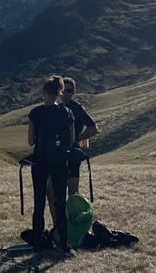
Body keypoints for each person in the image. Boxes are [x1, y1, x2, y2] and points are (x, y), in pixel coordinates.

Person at [26, 75, 76, 256]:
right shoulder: (67, 113)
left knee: (39, 203)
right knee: (60, 203)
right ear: (60, 92)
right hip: (60, 162)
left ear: (45, 92)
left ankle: (38, 242)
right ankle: (64, 244)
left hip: (40, 162)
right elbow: (71, 141)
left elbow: (31, 142)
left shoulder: (36, 113)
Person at [46, 76, 100, 223]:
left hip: (72, 156)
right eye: (64, 90)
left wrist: (78, 139)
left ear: (74, 92)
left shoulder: (77, 108)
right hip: (55, 156)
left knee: (73, 195)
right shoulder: (53, 108)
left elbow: (94, 129)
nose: (66, 94)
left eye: (69, 91)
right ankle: (58, 227)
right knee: (51, 193)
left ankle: (74, 227)